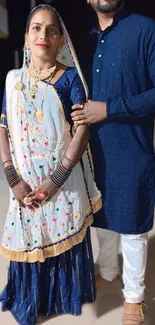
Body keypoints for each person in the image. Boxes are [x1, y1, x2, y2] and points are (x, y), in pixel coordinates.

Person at [0, 4, 102, 325]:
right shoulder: (13, 80)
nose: (43, 34)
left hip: (63, 184)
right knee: (30, 238)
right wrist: (13, 178)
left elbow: (82, 128)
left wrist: (57, 179)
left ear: (60, 40)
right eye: (36, 28)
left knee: (62, 238)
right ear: (27, 37)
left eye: (51, 30)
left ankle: (60, 297)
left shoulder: (70, 78)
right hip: (25, 186)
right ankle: (32, 299)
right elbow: (2, 127)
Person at [71, 0, 155, 324]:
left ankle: (134, 298)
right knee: (102, 218)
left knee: (132, 224)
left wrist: (108, 109)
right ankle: (107, 270)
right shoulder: (85, 38)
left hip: (133, 150)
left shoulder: (145, 29)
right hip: (93, 152)